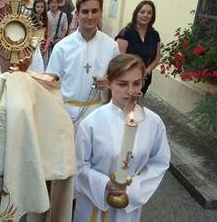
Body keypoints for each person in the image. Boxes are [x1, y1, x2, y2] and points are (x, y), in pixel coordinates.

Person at [0, 14, 76, 222]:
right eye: (8, 48)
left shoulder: (47, 90)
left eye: (22, 48)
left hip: (35, 188)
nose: (15, 55)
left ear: (31, 49)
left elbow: (61, 140)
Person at [73, 54, 170, 222]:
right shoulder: (91, 123)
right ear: (109, 83)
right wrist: (106, 185)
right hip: (94, 206)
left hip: (129, 208)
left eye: (137, 83)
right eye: (123, 84)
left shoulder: (153, 122)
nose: (131, 91)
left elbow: (159, 162)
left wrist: (132, 189)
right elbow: (78, 166)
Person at [46, 0, 119, 131]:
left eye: (94, 11)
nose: (90, 17)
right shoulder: (62, 47)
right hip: (67, 114)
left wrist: (108, 85)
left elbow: (119, 83)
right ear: (77, 14)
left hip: (98, 113)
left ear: (101, 12)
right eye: (85, 12)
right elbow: (50, 85)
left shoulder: (112, 47)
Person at [115, 0, 161, 95]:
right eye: (142, 12)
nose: (145, 15)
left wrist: (147, 71)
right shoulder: (126, 33)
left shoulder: (154, 35)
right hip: (126, 79)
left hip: (145, 79)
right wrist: (137, 74)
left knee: (136, 107)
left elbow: (157, 58)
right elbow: (120, 59)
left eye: (149, 13)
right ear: (136, 14)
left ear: (152, 16)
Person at [33, 0, 50, 68]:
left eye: (42, 7)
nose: (40, 9)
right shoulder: (30, 19)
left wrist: (46, 48)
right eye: (38, 7)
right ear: (34, 7)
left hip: (44, 47)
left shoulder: (46, 20)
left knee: (43, 67)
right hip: (34, 48)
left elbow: (49, 36)